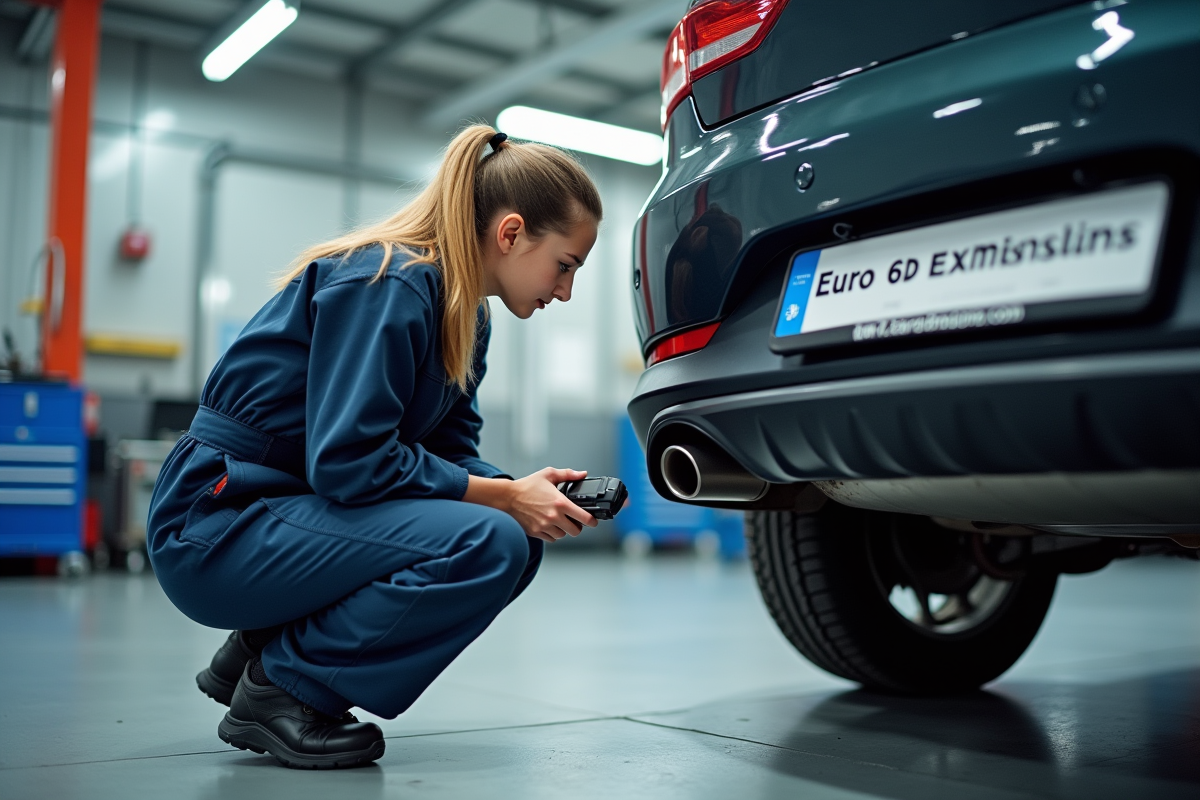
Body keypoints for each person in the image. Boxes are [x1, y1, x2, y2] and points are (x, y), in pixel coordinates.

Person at [146, 126, 604, 770]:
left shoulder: (465, 316)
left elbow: (448, 453)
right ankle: (284, 687)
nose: (565, 291)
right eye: (565, 265)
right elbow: (349, 463)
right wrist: (501, 497)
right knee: (489, 538)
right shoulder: (390, 281)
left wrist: (520, 492)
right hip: (216, 521)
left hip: (287, 511)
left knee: (512, 533)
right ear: (510, 233)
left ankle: (263, 645)